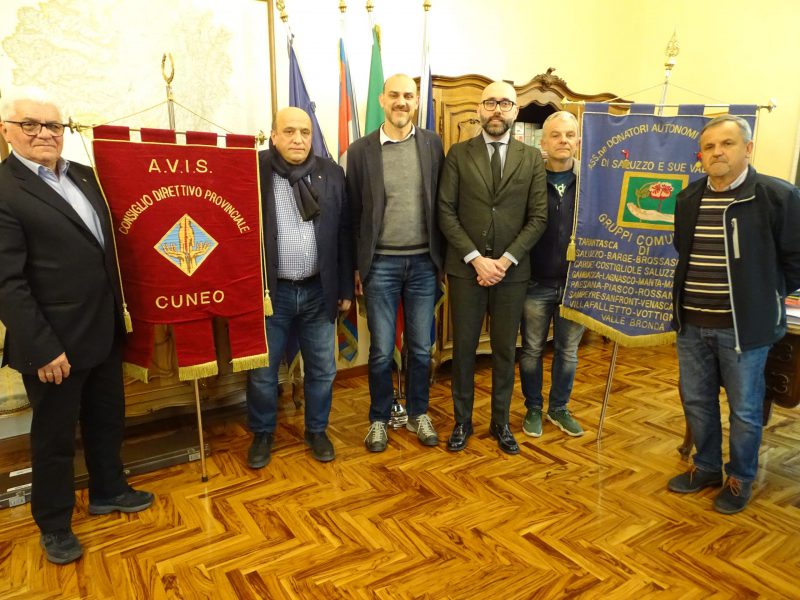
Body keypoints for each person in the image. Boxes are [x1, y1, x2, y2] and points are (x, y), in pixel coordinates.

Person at [0, 89, 153, 565]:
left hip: (103, 331)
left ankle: (109, 490)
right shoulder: (4, 189)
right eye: (30, 125)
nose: (44, 133)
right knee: (55, 439)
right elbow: (7, 283)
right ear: (7, 131)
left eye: (53, 125)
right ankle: (55, 524)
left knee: (108, 419)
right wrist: (41, 348)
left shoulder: (84, 175)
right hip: (53, 345)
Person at [667, 114, 800, 514]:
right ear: (700, 155)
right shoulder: (688, 198)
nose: (717, 152)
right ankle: (707, 466)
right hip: (691, 324)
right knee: (697, 401)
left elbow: (795, 261)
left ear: (748, 148)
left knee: (744, 410)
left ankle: (740, 477)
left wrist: (764, 295)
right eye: (708, 147)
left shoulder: (778, 196)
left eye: (727, 144)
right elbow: (683, 250)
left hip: (744, 329)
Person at [437, 80, 548, 454]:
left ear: (516, 111)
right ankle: (462, 422)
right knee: (464, 351)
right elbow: (446, 211)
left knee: (504, 352)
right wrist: (476, 258)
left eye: (505, 103)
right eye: (490, 103)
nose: (497, 110)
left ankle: (500, 423)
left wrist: (504, 260)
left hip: (511, 272)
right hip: (466, 270)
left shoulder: (531, 158)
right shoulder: (458, 154)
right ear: (479, 109)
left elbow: (538, 217)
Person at [246, 107, 354, 469]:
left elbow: (343, 234)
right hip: (270, 295)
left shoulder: (331, 173)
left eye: (305, 132)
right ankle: (263, 433)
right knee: (263, 373)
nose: (298, 139)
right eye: (289, 131)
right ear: (273, 135)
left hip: (318, 291)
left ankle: (316, 430)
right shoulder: (253, 171)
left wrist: (345, 288)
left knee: (322, 369)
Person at [346, 74, 445, 452]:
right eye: (394, 95)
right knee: (381, 350)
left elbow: (442, 203)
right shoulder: (360, 151)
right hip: (381, 265)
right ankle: (379, 418)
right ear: (381, 100)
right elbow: (354, 214)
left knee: (420, 348)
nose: (401, 101)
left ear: (416, 101)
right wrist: (358, 266)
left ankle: (419, 413)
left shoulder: (433, 144)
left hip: (423, 264)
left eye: (408, 95)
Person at [519, 111, 585, 438]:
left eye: (569, 135)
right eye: (556, 135)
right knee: (532, 350)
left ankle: (559, 407)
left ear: (578, 141)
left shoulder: (590, 184)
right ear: (543, 142)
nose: (563, 141)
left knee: (568, 352)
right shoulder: (529, 181)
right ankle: (533, 407)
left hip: (576, 284)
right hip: (535, 283)